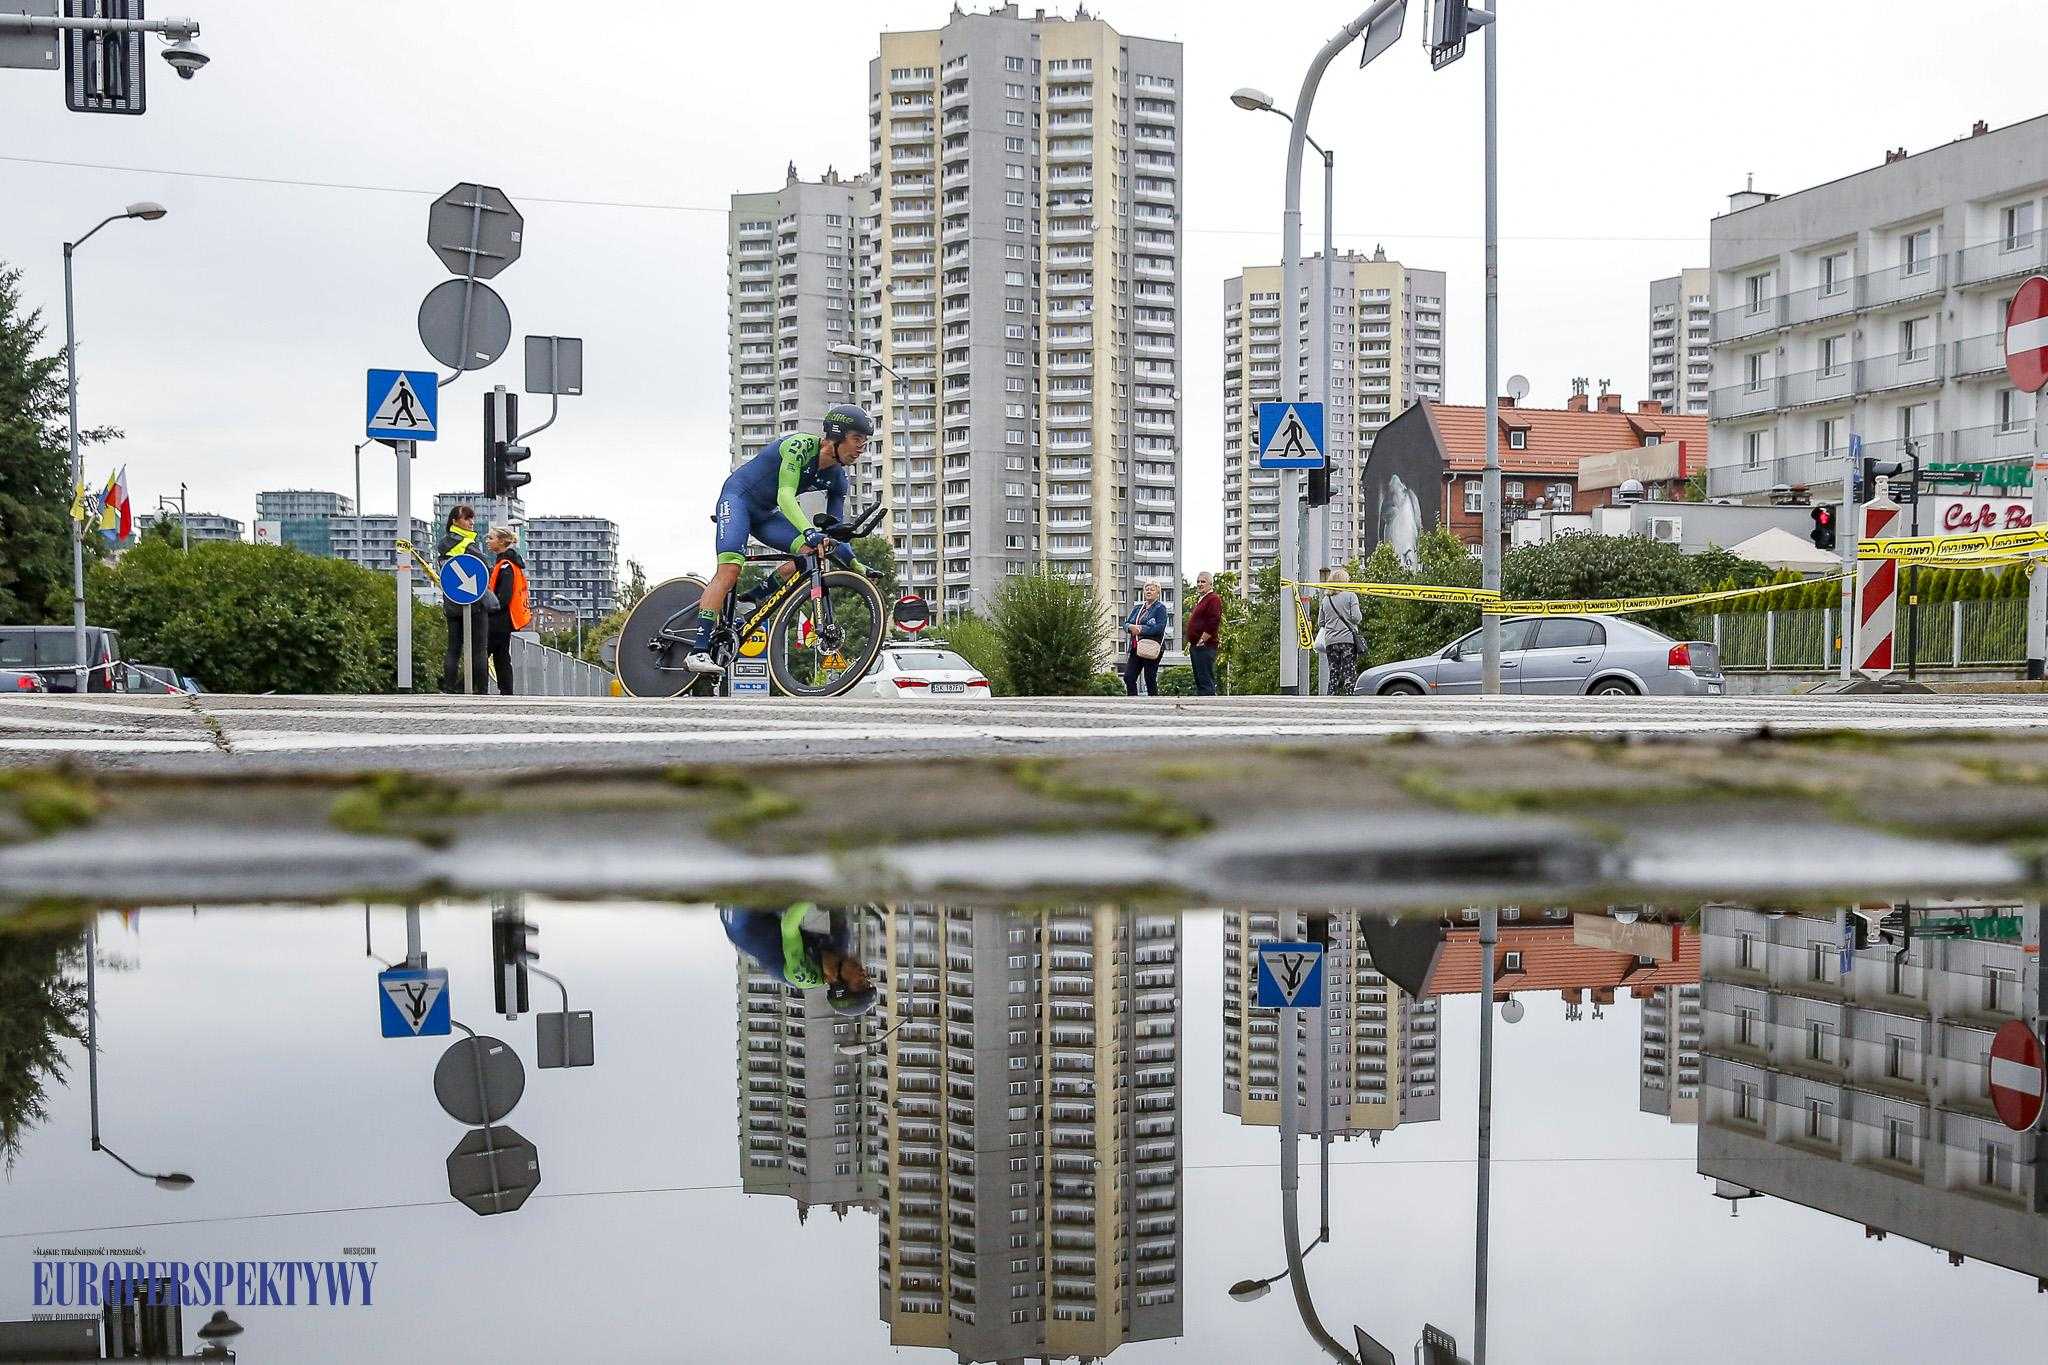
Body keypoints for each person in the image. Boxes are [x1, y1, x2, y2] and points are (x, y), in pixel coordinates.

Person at [684, 405, 875, 675]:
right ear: (836, 436)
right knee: (730, 571)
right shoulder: (798, 447)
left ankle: (754, 597)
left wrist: (857, 565)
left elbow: (832, 533)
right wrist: (809, 530)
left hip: (765, 515)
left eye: (865, 443)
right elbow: (786, 496)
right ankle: (698, 650)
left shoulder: (838, 479)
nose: (861, 448)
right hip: (738, 501)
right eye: (857, 440)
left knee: (813, 551)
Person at [719, 903, 877, 1016]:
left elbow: (789, 927)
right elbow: (837, 907)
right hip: (770, 914)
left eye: (859, 983)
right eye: (868, 981)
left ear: (837, 982)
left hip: (741, 926)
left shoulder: (804, 975)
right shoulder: (840, 947)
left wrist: (809, 894)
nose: (864, 974)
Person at [437, 504, 490, 693]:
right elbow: (485, 570)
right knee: (479, 649)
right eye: (467, 519)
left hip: (452, 600)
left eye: (471, 518)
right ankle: (482, 690)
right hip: (474, 602)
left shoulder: (442, 545)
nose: (471, 522)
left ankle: (449, 687)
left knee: (453, 648)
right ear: (455, 521)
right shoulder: (467, 544)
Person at [484, 526, 530, 696]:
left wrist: (490, 608)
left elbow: (504, 596)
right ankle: (506, 691)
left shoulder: (506, 566)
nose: (488, 541)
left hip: (499, 618)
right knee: (501, 656)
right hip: (505, 618)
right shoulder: (508, 564)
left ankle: (474, 688)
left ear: (502, 541)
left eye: (491, 537)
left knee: (483, 653)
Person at [1317, 566, 1364, 695]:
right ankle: (1349, 699)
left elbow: (1320, 622)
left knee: (1334, 674)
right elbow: (1357, 618)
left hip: (1330, 641)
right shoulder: (1351, 596)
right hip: (1347, 640)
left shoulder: (1326, 600)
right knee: (1349, 672)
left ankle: (1330, 699)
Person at [1122, 579, 1169, 697]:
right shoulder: (1138, 608)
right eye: (1147, 589)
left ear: (1158, 592)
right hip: (1136, 647)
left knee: (1150, 678)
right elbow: (1126, 623)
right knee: (1129, 677)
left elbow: (1159, 628)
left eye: (1152, 589)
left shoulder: (1160, 608)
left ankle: (1154, 704)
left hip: (1151, 647)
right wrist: (1130, 627)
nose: (1149, 591)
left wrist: (1141, 629)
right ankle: (1133, 702)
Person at [1185, 571, 1222, 696]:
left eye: (1203, 581)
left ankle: (1209, 706)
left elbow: (1214, 620)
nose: (1200, 584)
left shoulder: (1213, 599)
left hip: (1205, 645)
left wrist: (1203, 639)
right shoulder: (1201, 599)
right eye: (1198, 581)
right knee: (1199, 679)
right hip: (1196, 645)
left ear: (1210, 584)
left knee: (1205, 678)